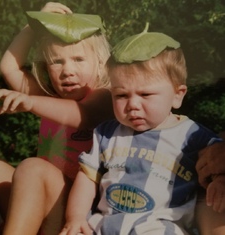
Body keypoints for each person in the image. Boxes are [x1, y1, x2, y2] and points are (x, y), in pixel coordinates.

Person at [59, 24, 225, 235]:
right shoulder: (106, 134)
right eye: (121, 95)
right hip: (104, 225)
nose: (133, 105)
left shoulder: (193, 136)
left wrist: (220, 180)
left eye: (145, 95)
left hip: (159, 226)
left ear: (178, 95)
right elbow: (87, 178)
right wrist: (75, 218)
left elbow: (218, 164)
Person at [0, 2, 113, 235]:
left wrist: (29, 102)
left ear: (100, 63)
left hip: (76, 210)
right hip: (38, 200)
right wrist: (32, 27)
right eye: (57, 61)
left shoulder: (103, 96)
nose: (67, 70)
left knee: (33, 167)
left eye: (78, 59)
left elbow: (81, 116)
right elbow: (9, 68)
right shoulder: (48, 98)